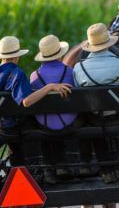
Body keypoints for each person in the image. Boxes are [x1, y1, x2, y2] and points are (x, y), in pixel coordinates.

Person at [0, 36, 72, 166]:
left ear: (2, 56)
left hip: (3, 124)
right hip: (17, 124)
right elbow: (26, 101)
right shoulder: (16, 74)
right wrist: (50, 87)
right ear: (17, 56)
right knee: (41, 122)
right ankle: (48, 165)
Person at [73, 23, 119, 186]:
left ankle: (107, 171)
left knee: (93, 123)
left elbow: (78, 90)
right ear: (109, 43)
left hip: (96, 118)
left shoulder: (79, 67)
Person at [29, 35, 79, 183]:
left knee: (44, 124)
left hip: (45, 125)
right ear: (61, 53)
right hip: (69, 123)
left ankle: (49, 170)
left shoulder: (34, 76)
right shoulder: (70, 72)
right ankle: (68, 164)